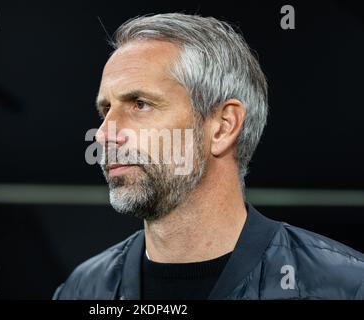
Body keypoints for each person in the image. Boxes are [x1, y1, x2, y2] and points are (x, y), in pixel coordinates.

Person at [54, 13, 364, 300]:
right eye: (106, 110)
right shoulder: (82, 290)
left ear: (223, 127)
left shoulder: (344, 286)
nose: (103, 134)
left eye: (139, 104)